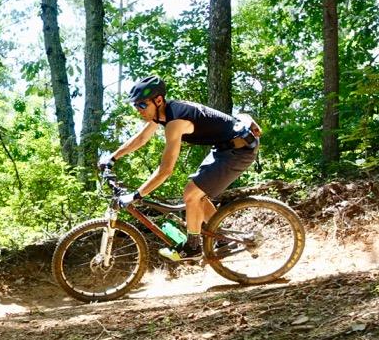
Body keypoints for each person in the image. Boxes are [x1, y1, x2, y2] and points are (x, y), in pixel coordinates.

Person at [98, 76, 261, 261]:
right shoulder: (162, 114)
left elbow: (166, 170)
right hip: (224, 148)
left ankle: (193, 247)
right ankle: (223, 239)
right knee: (197, 193)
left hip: (240, 150)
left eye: (142, 105)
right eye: (136, 106)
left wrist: (136, 195)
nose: (138, 110)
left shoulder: (175, 123)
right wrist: (112, 158)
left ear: (158, 100)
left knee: (191, 194)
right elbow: (141, 139)